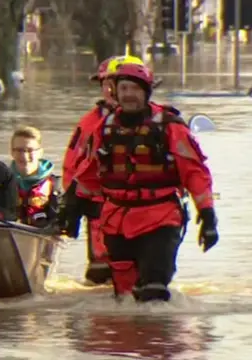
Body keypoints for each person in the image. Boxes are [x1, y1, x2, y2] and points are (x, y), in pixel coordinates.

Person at [61, 63, 219, 302]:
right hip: (116, 220)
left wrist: (207, 215)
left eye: (134, 89)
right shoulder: (103, 128)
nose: (128, 95)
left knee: (153, 292)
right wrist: (71, 208)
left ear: (146, 92)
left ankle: (159, 337)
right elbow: (89, 173)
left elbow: (195, 173)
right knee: (124, 298)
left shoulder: (170, 127)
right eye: (123, 88)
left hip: (160, 217)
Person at [63, 54, 146, 285]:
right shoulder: (90, 123)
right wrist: (72, 202)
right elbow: (74, 163)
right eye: (106, 84)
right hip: (100, 209)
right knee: (100, 276)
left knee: (147, 276)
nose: (111, 91)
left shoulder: (161, 121)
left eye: (117, 84)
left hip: (148, 209)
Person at [10, 126, 61, 228]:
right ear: (12, 152)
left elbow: (61, 224)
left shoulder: (55, 185)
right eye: (19, 150)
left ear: (40, 152)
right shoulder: (2, 182)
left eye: (30, 150)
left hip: (40, 238)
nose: (24, 156)